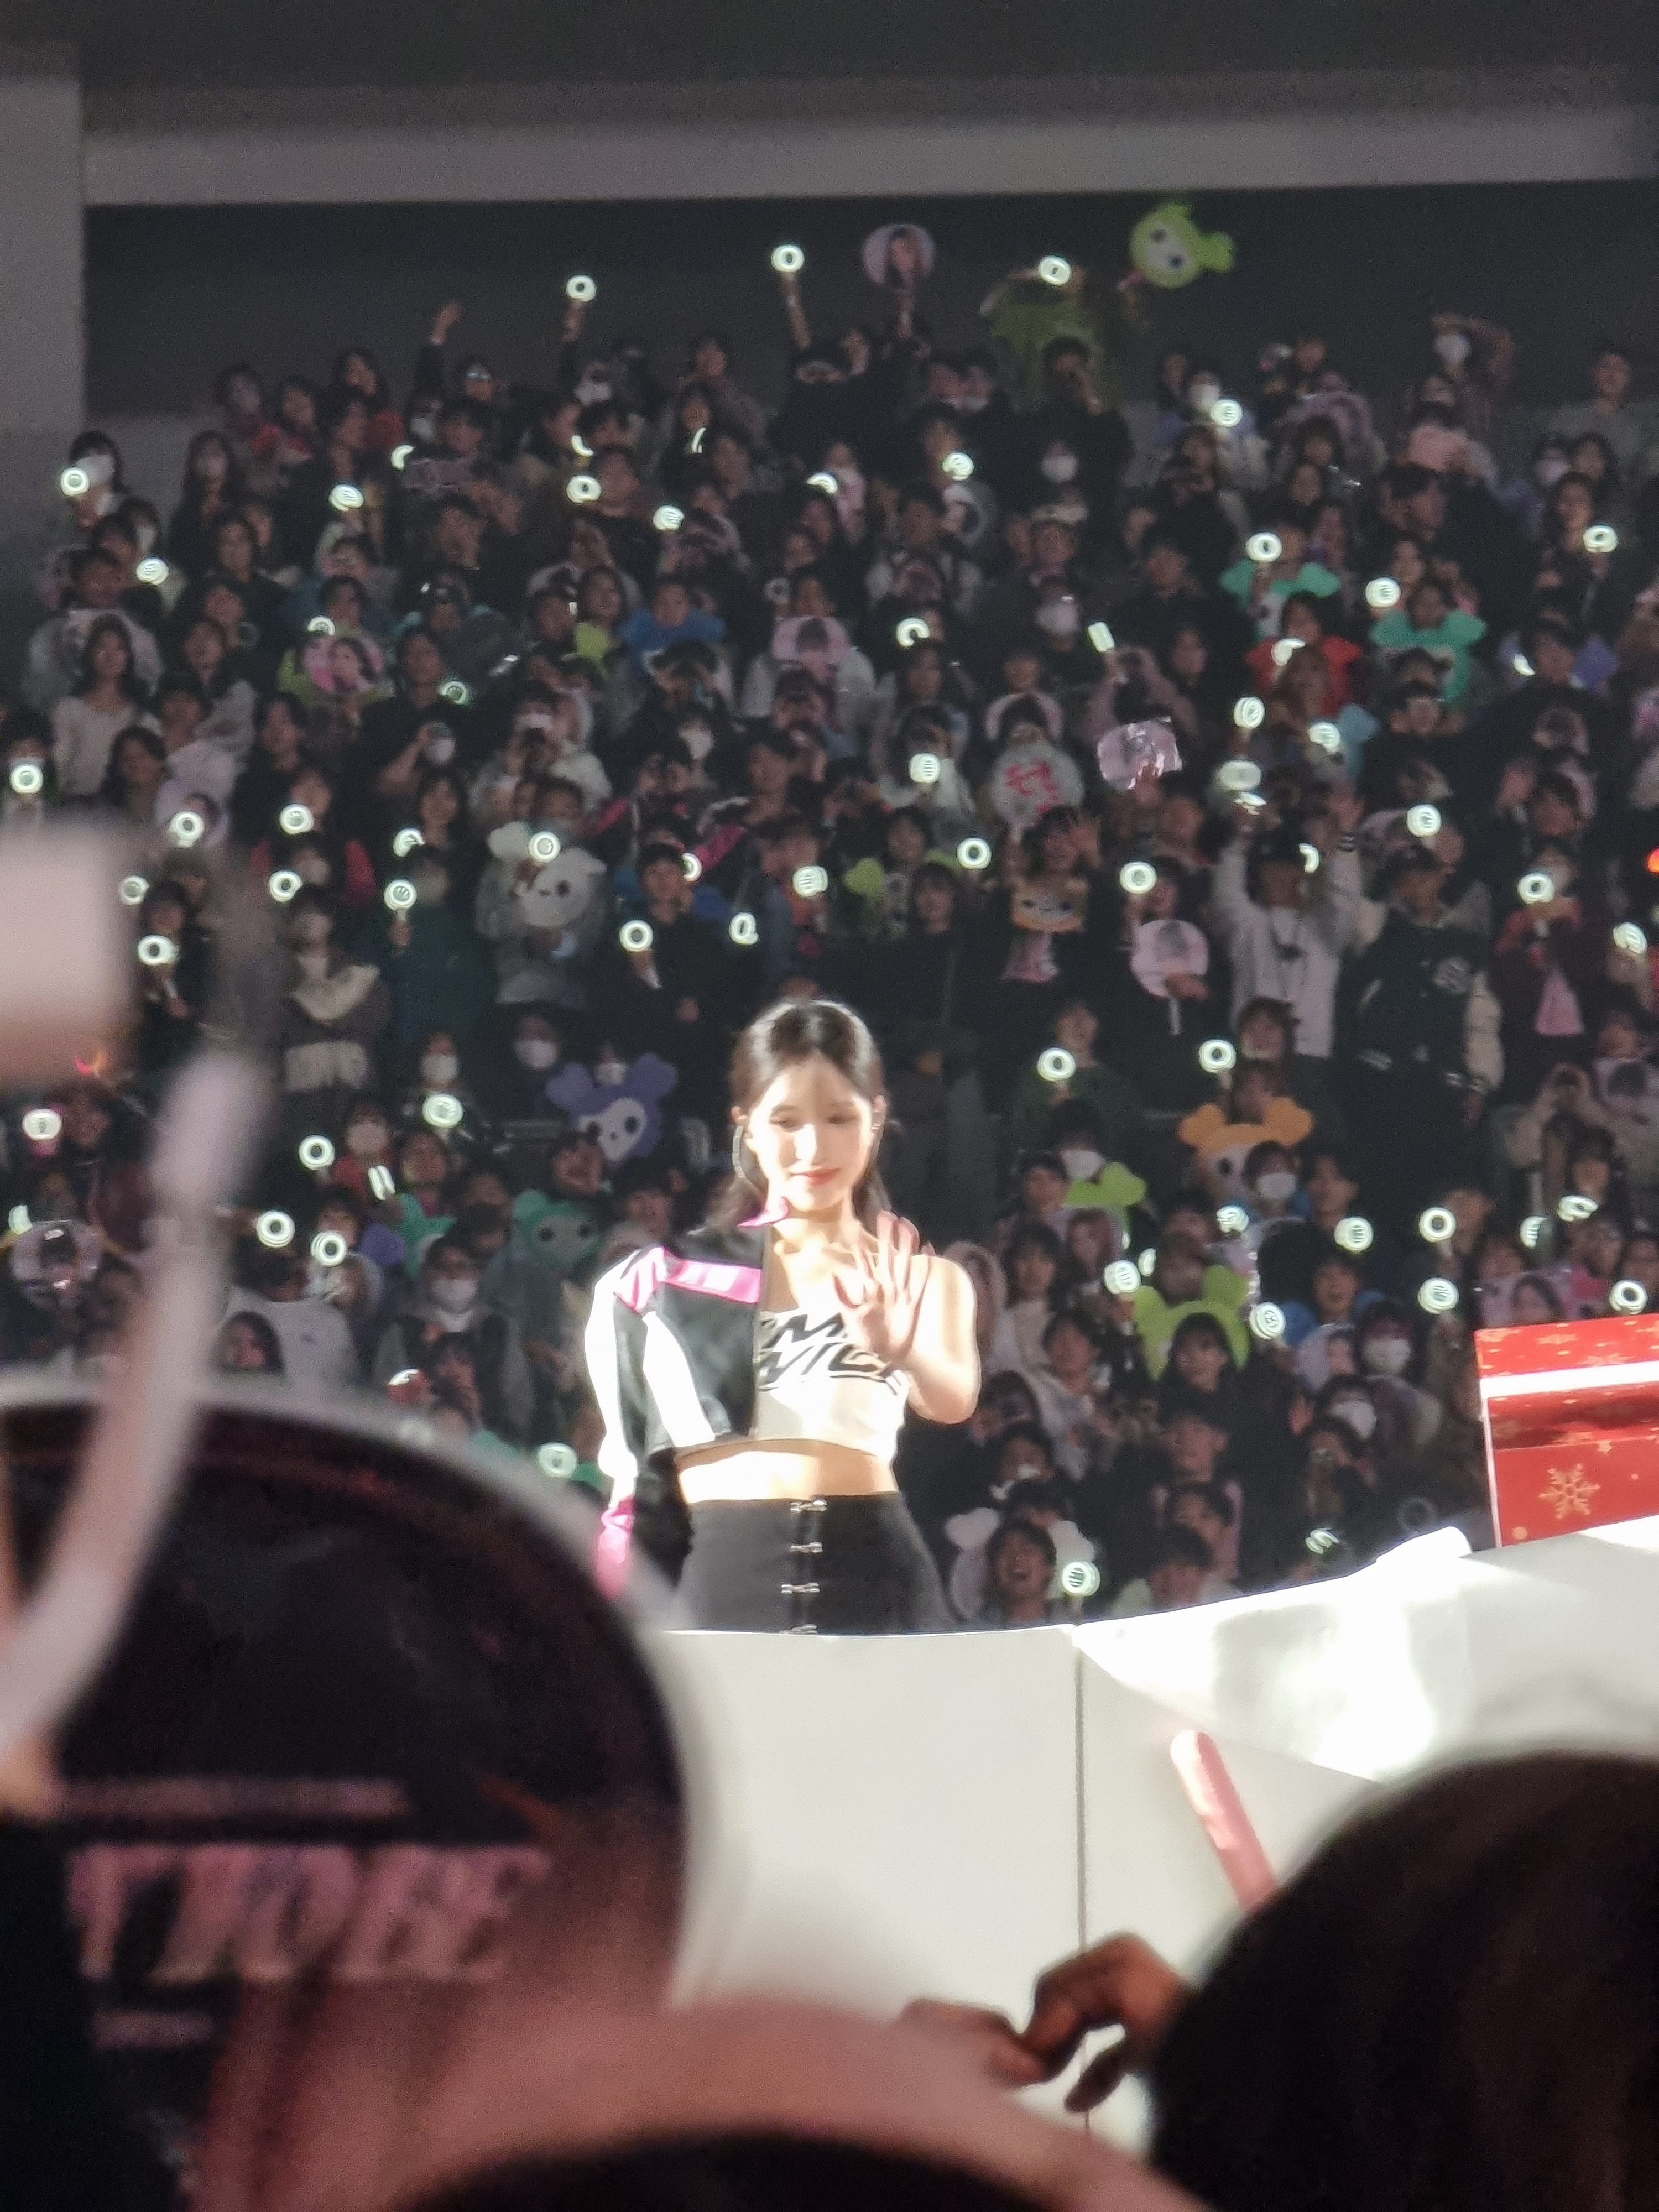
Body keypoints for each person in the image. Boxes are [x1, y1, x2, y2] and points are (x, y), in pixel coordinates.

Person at [586, 999, 977, 1630]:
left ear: (877, 1119)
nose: (814, 1146)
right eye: (787, 1121)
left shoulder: (919, 1276)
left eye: (840, 1118)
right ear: (746, 1126)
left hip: (878, 1585)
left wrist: (900, 1348)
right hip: (725, 1585)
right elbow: (634, 1487)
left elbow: (953, 1398)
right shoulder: (657, 1281)